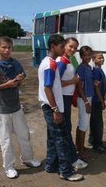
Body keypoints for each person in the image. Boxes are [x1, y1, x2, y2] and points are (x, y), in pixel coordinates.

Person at [38, 34, 83, 181]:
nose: (64, 49)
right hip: (52, 107)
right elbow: (48, 88)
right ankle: (66, 171)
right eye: (62, 46)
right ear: (53, 47)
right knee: (61, 139)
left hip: (51, 105)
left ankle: (51, 165)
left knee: (53, 137)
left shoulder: (48, 62)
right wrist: (55, 110)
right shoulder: (51, 64)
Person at [0, 36, 41, 179]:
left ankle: (27, 158)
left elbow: (20, 83)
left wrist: (19, 80)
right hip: (1, 108)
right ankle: (8, 166)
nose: (7, 50)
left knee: (23, 134)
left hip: (16, 106)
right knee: (5, 139)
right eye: (4, 47)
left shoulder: (16, 63)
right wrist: (6, 85)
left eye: (9, 47)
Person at [56, 37, 88, 170]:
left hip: (67, 98)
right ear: (64, 45)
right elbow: (55, 84)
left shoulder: (68, 60)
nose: (73, 50)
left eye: (75, 48)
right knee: (65, 128)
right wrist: (73, 81)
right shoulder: (62, 61)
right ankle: (72, 159)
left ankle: (66, 157)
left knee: (65, 128)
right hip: (62, 98)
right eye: (71, 46)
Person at [89, 51, 106, 154]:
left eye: (102, 58)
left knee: (94, 121)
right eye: (99, 58)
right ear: (93, 60)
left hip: (96, 99)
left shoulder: (99, 70)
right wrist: (102, 101)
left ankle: (92, 140)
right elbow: (97, 87)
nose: (101, 60)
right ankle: (98, 144)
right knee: (98, 123)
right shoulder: (96, 71)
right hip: (96, 100)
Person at [76, 46, 94, 161]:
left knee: (82, 123)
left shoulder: (89, 67)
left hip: (89, 97)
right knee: (83, 125)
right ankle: (81, 152)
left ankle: (79, 146)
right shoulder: (81, 68)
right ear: (81, 56)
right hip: (84, 99)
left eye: (89, 55)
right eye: (85, 55)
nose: (87, 57)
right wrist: (86, 102)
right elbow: (79, 86)